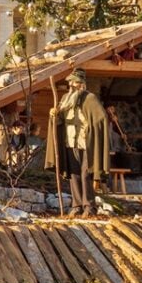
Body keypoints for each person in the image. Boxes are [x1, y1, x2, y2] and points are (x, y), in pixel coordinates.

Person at [45, 69, 110, 216]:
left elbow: (101, 119)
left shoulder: (90, 98)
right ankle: (77, 205)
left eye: (75, 82)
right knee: (74, 175)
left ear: (82, 83)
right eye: (71, 82)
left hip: (86, 143)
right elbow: (60, 121)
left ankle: (89, 206)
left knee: (86, 174)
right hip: (70, 142)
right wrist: (54, 116)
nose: (72, 84)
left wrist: (91, 129)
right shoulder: (65, 99)